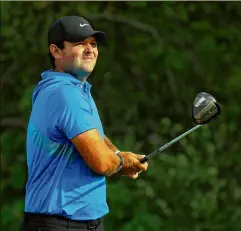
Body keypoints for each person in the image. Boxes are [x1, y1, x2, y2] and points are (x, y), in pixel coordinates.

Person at [20, 15, 148, 231]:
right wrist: (120, 163)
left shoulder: (74, 89)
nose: (90, 50)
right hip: (60, 224)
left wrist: (117, 155)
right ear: (56, 51)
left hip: (78, 223)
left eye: (93, 44)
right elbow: (101, 162)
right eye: (80, 44)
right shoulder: (65, 93)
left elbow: (95, 138)